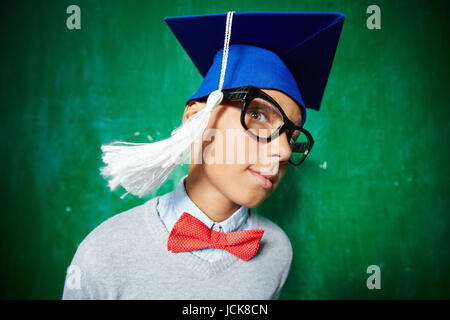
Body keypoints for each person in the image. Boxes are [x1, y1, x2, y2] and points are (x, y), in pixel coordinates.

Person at [62, 11, 345, 300]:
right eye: (258, 114)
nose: (284, 151)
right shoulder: (104, 253)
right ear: (196, 118)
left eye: (292, 136)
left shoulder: (277, 252)